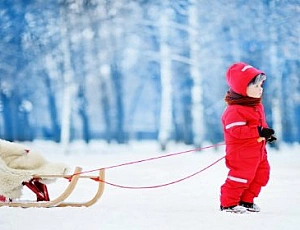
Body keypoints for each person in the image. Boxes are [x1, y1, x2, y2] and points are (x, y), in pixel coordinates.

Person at [219, 62, 276, 213]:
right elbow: (236, 130)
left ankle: (246, 200)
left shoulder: (256, 106)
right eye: (256, 86)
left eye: (261, 86)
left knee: (262, 174)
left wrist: (266, 134)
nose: (260, 89)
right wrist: (258, 131)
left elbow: (261, 124)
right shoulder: (234, 110)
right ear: (242, 88)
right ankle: (228, 203)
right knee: (240, 177)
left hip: (258, 151)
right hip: (241, 153)